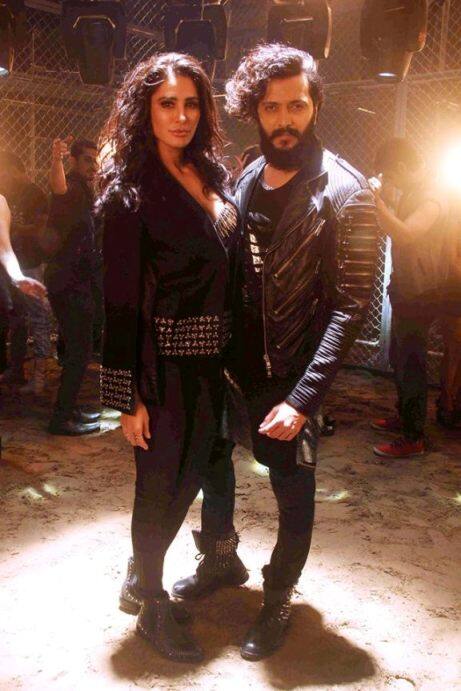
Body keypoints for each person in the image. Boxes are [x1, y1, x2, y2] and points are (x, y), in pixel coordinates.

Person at [172, 43, 379, 661]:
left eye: (297, 105)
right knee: (213, 466)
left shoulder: (347, 192)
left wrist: (303, 398)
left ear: (315, 106)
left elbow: (350, 307)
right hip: (229, 366)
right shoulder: (245, 176)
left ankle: (279, 596)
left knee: (293, 491)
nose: (284, 119)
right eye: (271, 107)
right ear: (254, 111)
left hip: (290, 377)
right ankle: (220, 558)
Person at [98, 52, 239, 662]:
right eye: (167, 104)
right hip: (164, 368)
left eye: (191, 104)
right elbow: (119, 305)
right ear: (144, 110)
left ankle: (145, 580)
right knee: (159, 486)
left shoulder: (209, 173)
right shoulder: (129, 197)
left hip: (214, 365)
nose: (181, 116)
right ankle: (151, 603)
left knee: (190, 481)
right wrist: (125, 398)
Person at [369, 137, 458, 455]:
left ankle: (413, 437)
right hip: (409, 287)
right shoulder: (416, 189)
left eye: (391, 175)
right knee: (400, 356)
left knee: (412, 362)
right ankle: (406, 416)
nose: (391, 182)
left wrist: (377, 203)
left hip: (423, 291)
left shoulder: (433, 194)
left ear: (401, 166)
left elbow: (406, 233)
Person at [45, 137, 101, 435]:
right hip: (69, 282)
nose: (94, 165)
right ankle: (61, 419)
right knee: (80, 352)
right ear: (74, 161)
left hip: (74, 281)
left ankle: (68, 408)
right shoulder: (72, 187)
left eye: (95, 159)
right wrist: (56, 159)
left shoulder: (86, 190)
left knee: (75, 350)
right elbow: (59, 188)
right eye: (87, 160)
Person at [0, 151, 51, 393]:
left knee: (38, 318)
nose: (2, 177)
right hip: (16, 265)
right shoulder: (10, 194)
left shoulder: (31, 194)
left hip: (30, 263)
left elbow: (39, 230)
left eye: (4, 172)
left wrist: (18, 276)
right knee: (17, 318)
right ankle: (16, 369)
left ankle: (39, 377)